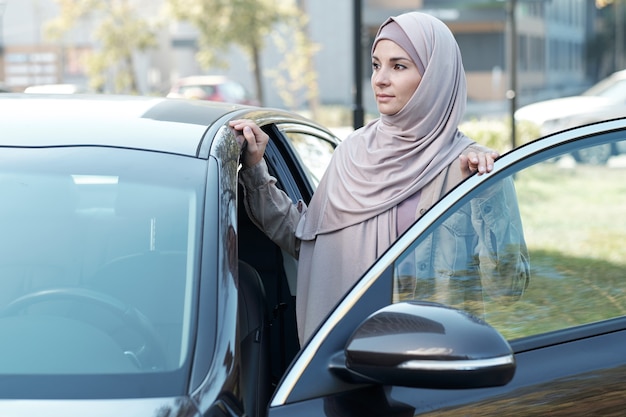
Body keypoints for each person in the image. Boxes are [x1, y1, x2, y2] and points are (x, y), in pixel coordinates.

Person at [230, 11, 519, 344]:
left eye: (398, 66)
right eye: (376, 65)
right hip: (343, 361)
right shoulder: (353, 151)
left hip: (430, 365)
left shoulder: (470, 166)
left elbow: (506, 287)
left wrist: (486, 196)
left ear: (435, 77)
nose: (380, 79)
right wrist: (254, 169)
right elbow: (306, 241)